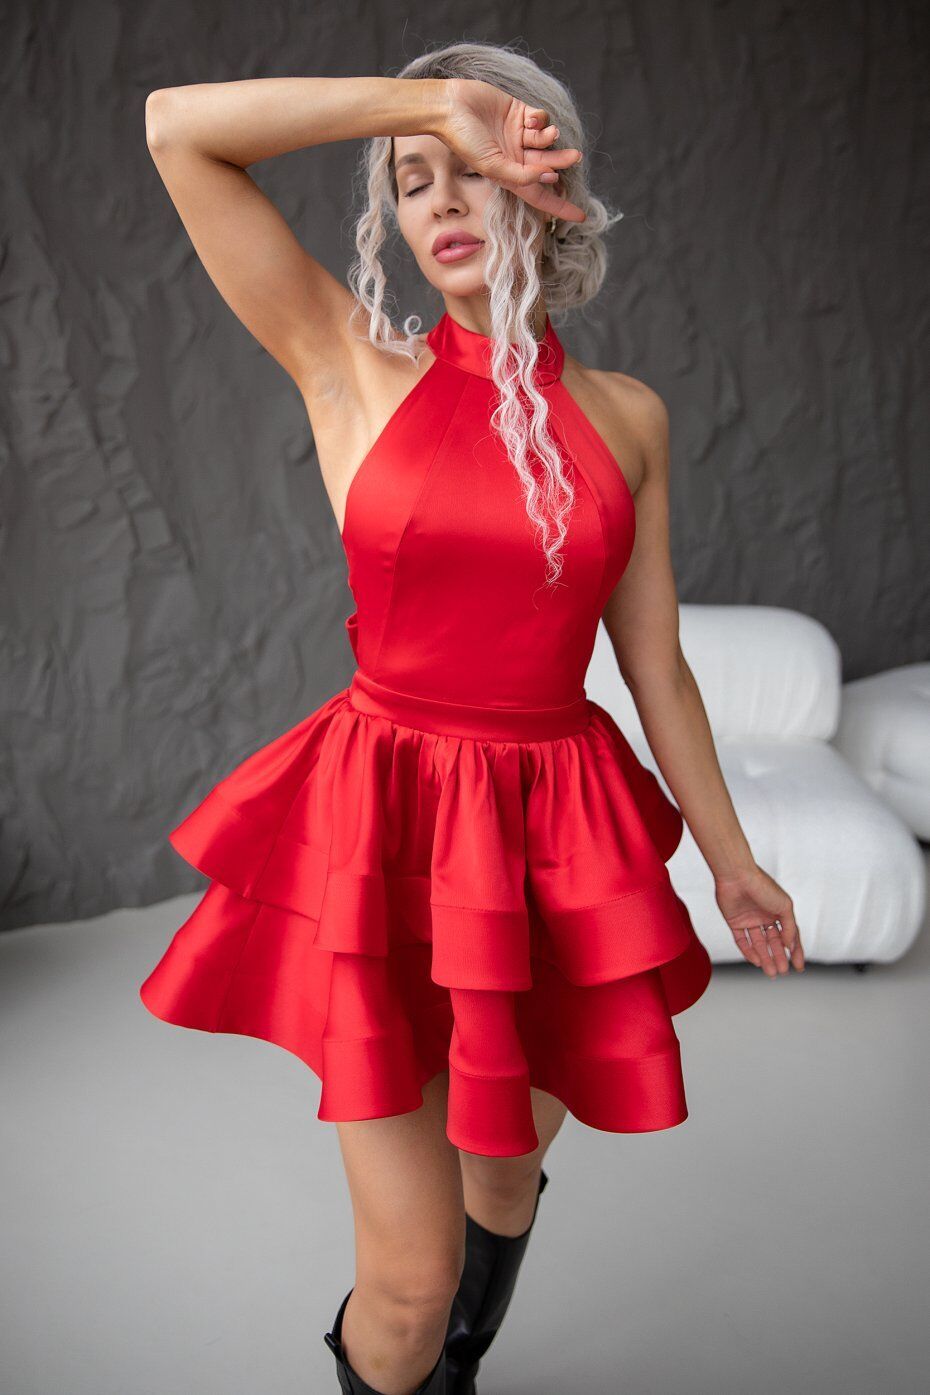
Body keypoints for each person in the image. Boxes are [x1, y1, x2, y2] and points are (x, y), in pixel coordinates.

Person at [139, 40, 805, 1395]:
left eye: (475, 170)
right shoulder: (350, 364)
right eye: (410, 180)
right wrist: (434, 106)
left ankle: (461, 1371)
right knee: (406, 1282)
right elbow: (177, 130)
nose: (439, 198)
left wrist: (732, 861)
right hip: (388, 825)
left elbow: (656, 666)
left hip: (553, 841)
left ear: (543, 188)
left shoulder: (627, 418)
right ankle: (421, 1355)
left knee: (502, 1178)